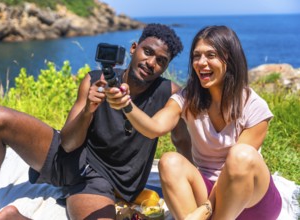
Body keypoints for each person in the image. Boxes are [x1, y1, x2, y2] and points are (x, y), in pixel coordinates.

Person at [0, 23, 184, 220]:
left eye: (161, 61)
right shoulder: (94, 79)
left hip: (99, 182)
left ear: (165, 67)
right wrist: (88, 110)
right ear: (134, 48)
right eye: (147, 52)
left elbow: (182, 138)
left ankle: (13, 218)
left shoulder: (169, 94)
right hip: (70, 158)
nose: (151, 63)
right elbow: (68, 143)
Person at [106, 25, 282, 220]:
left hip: (253, 201)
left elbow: (239, 167)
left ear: (229, 58)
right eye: (197, 56)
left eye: (211, 55)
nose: (201, 63)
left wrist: (205, 209)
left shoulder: (253, 105)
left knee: (241, 155)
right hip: (206, 192)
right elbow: (154, 128)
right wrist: (127, 105)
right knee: (169, 161)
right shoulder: (188, 97)